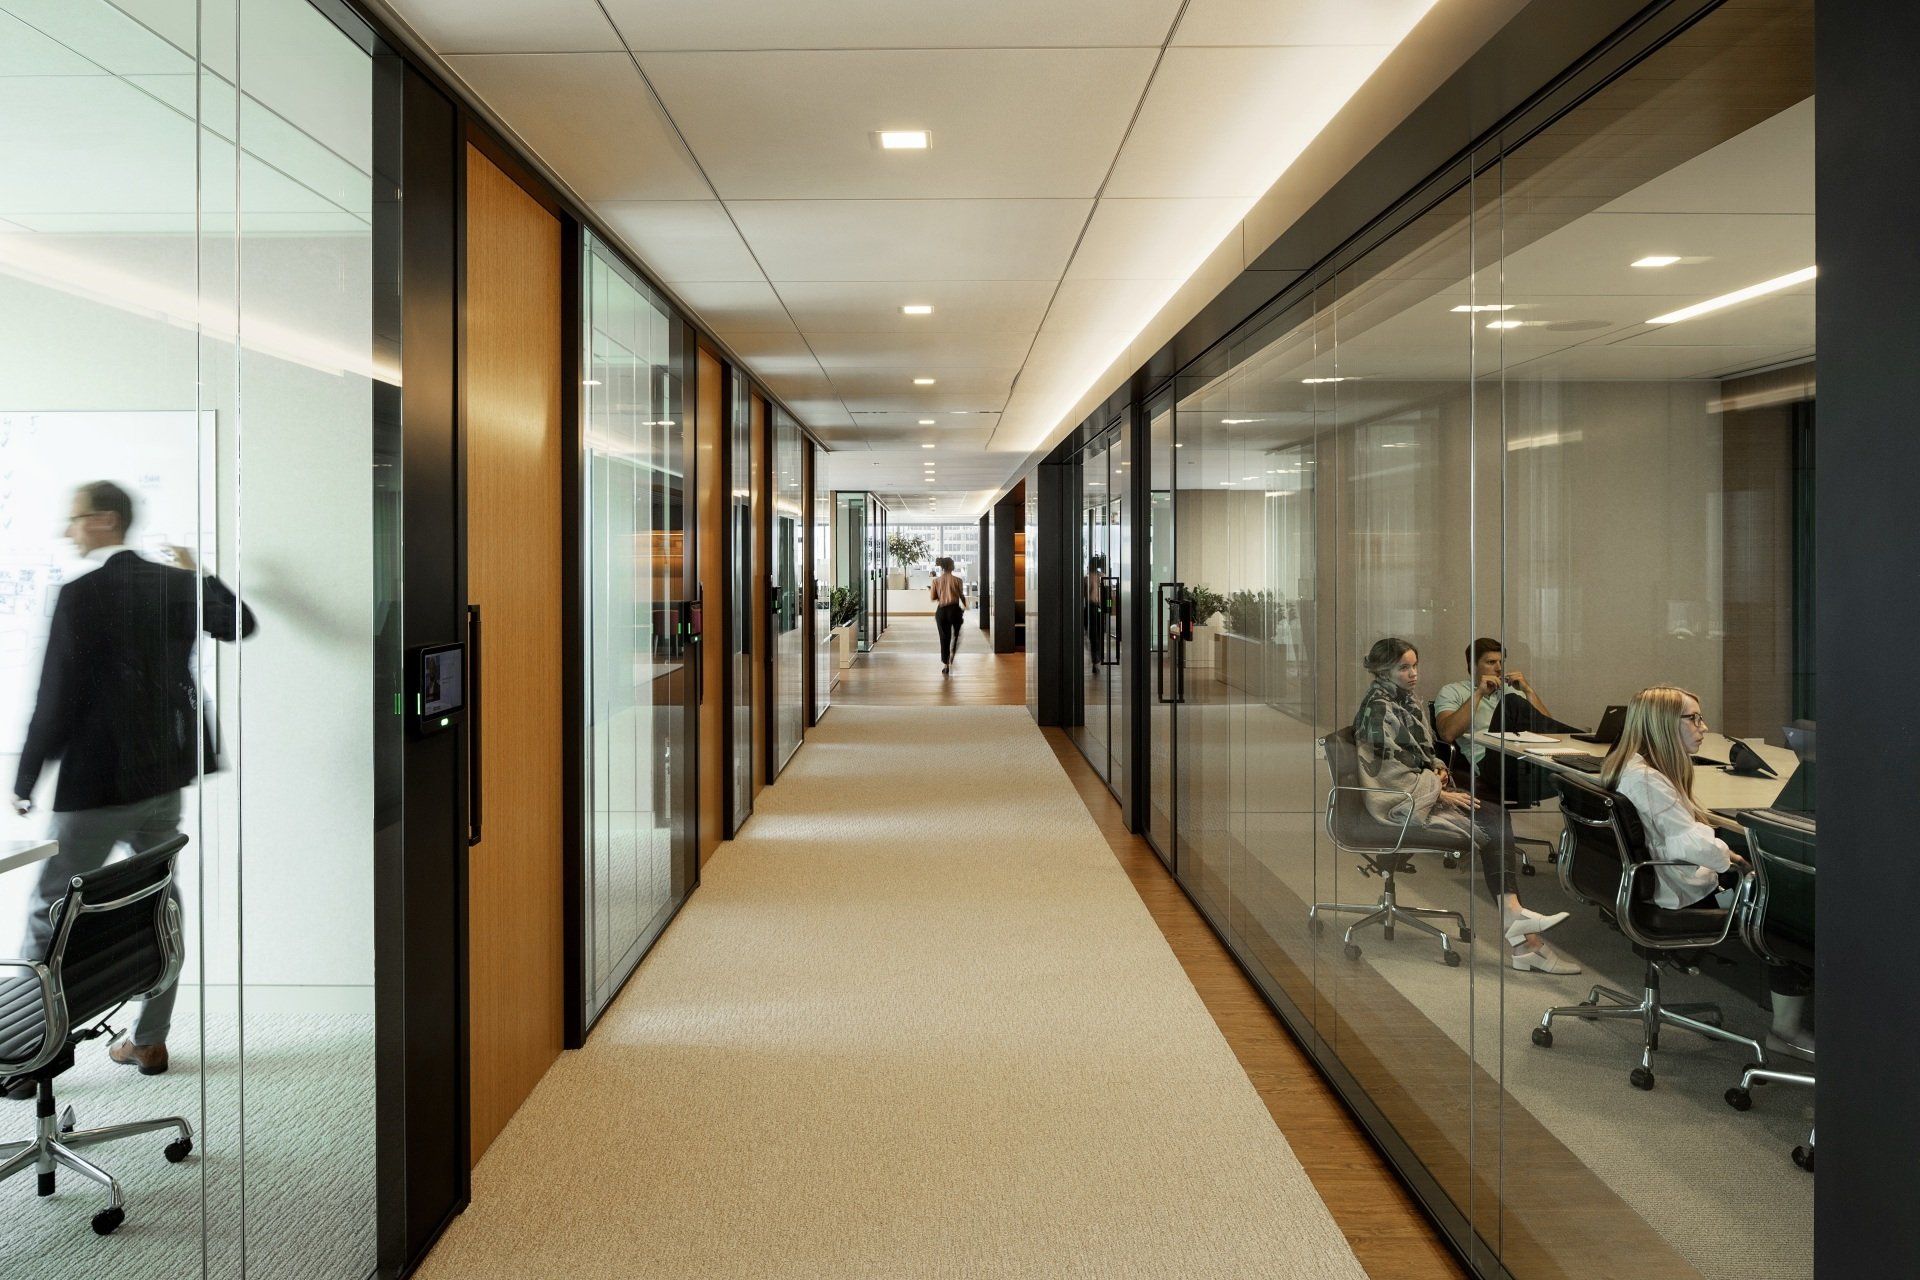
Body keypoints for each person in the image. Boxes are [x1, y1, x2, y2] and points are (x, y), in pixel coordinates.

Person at [10, 481, 256, 1091]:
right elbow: (240, 623)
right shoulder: (176, 586)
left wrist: (25, 774)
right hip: (161, 776)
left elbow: (56, 695)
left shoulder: (81, 595)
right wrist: (199, 574)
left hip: (97, 785)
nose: (67, 531)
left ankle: (28, 1053)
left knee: (51, 908)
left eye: (74, 520)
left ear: (103, 521)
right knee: (157, 904)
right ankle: (148, 1041)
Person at [1600, 686, 1813, 1060]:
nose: (1704, 726)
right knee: (1788, 909)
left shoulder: (1628, 765)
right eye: (1694, 718)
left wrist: (1725, 849)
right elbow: (1691, 846)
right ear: (1665, 725)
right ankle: (1786, 1031)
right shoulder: (1650, 781)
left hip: (1642, 885)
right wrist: (1731, 857)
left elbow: (1684, 834)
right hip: (1677, 892)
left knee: (1749, 853)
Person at [1353, 637, 1576, 973]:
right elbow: (1387, 773)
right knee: (1492, 820)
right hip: (1400, 803)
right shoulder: (1381, 707)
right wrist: (1439, 793)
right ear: (1384, 670)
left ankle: (1519, 929)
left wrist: (1439, 770)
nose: (1414, 673)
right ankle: (1522, 937)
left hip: (1421, 789)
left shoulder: (1404, 700)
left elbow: (1423, 752)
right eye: (1404, 667)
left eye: (1415, 665)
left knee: (1495, 816)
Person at [1434, 637, 1555, 769]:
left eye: (1501, 662)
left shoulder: (1512, 689)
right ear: (1473, 665)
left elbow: (1550, 731)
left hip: (1523, 755)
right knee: (1511, 701)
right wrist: (1479, 693)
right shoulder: (1452, 691)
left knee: (1566, 771)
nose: (1499, 668)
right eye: (1491, 662)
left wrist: (1528, 690)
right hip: (1486, 759)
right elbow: (1447, 734)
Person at [929, 555, 965, 676]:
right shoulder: (958, 580)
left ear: (943, 567)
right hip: (955, 610)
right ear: (952, 566)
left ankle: (946, 664)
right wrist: (965, 606)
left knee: (944, 638)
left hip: (942, 611)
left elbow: (933, 598)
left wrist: (941, 593)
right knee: (956, 635)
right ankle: (953, 651)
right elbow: (961, 596)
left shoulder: (936, 581)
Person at [1086, 554, 1107, 667]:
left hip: (1096, 606)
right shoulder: (1091, 577)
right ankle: (1096, 656)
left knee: (1097, 631)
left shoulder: (1098, 576)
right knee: (1095, 632)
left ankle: (1097, 655)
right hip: (1093, 606)